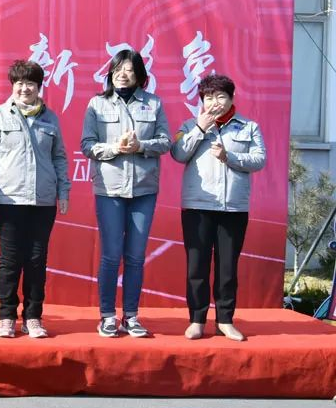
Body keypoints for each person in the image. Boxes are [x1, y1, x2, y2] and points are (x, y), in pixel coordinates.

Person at [81, 49, 170, 338]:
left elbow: (166, 141)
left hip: (144, 189)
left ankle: (131, 315)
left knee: (135, 256)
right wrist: (115, 149)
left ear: (139, 75)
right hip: (109, 189)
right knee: (111, 255)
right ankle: (107, 315)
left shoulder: (154, 103)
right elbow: (87, 144)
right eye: (118, 69)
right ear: (111, 73)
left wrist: (141, 146)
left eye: (129, 70)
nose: (122, 74)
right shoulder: (97, 103)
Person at [170, 74, 266, 341]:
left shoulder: (249, 127)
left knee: (227, 268)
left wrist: (229, 156)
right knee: (197, 266)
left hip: (233, 207)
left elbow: (259, 159)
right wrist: (200, 128)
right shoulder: (189, 125)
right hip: (198, 206)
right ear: (202, 101)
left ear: (232, 98)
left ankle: (225, 320)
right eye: (209, 97)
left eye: (221, 96)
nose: (215, 102)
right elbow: (178, 153)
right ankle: (196, 320)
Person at [0, 60, 70, 339]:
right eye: (19, 83)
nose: (24, 89)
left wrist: (63, 192)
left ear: (39, 86)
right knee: (10, 261)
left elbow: (59, 157)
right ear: (12, 85)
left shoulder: (50, 118)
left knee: (36, 261)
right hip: (8, 199)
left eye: (30, 83)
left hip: (43, 201)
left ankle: (33, 317)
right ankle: (6, 316)